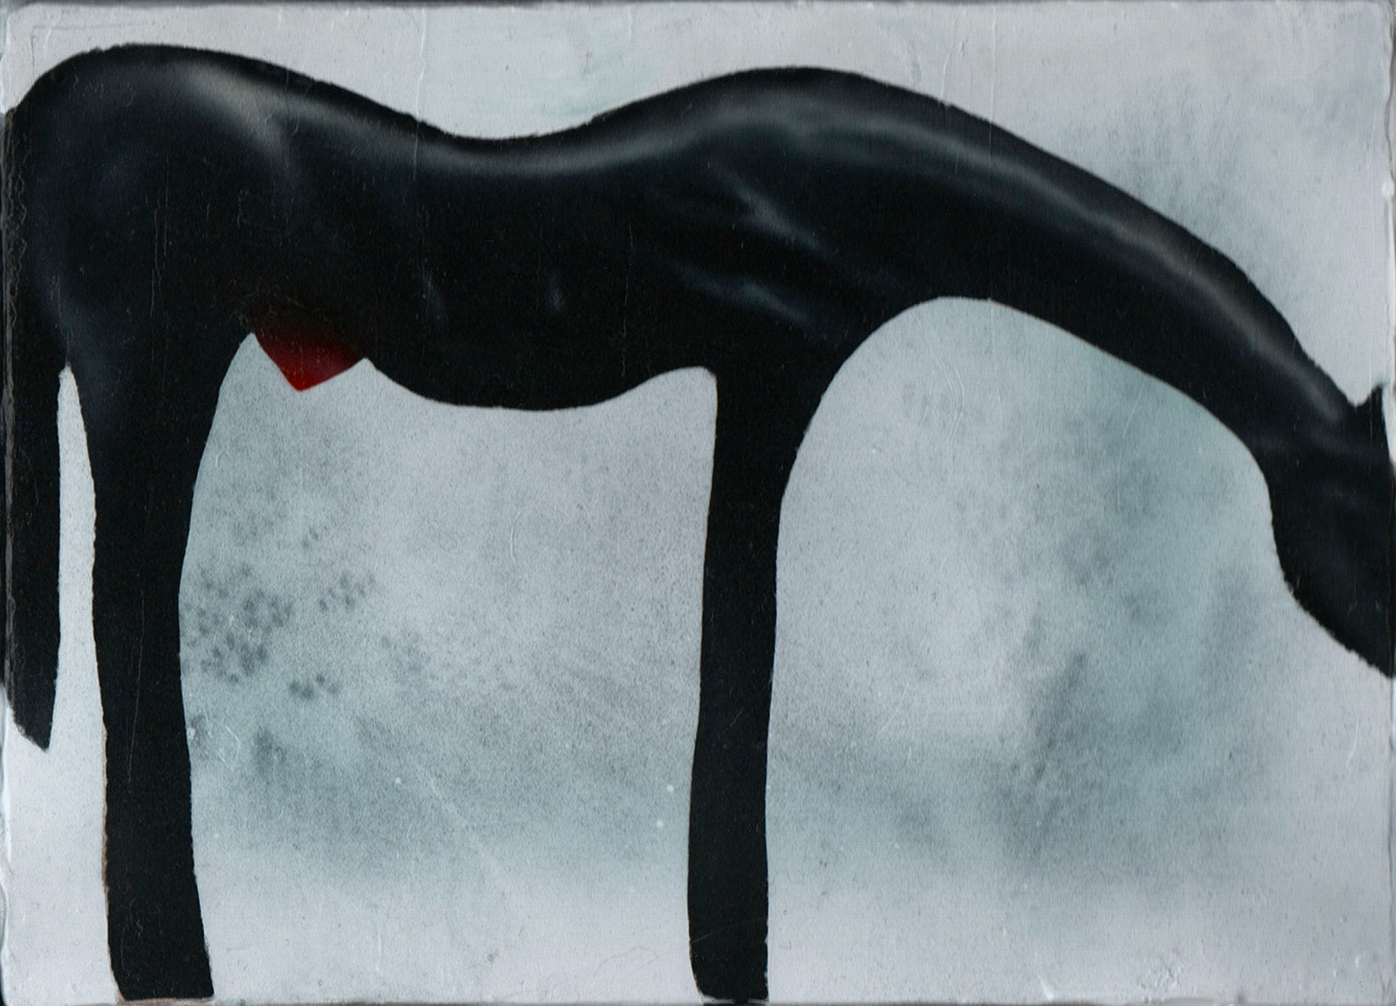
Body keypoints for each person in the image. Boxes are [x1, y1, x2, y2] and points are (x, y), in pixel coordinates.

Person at [6, 45, 1392, 1003]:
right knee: (135, 578)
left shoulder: (814, 183)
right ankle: (160, 954)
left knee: (135, 578)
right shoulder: (805, 186)